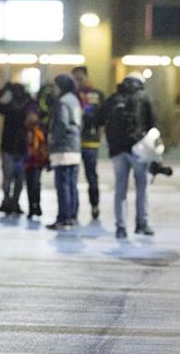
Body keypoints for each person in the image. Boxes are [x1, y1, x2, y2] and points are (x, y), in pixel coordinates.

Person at [100, 74, 157, 239]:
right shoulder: (143, 97)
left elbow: (100, 118)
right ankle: (142, 223)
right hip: (138, 149)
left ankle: (121, 226)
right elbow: (153, 124)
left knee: (120, 188)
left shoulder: (114, 98)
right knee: (142, 187)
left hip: (117, 151)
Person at [46, 74, 83, 230]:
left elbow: (62, 123)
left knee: (63, 185)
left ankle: (64, 218)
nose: (54, 89)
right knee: (72, 184)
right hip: (74, 147)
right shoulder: (74, 100)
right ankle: (73, 216)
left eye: (56, 86)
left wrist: (52, 140)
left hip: (63, 149)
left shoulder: (62, 102)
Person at [0, 82, 30, 215]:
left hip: (16, 147)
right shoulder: (22, 106)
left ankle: (10, 201)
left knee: (12, 177)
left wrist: (2, 91)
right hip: (14, 147)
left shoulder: (12, 107)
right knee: (16, 178)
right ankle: (11, 201)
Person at [73, 66, 105, 220]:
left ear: (85, 76)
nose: (78, 80)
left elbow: (102, 117)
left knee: (91, 175)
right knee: (72, 177)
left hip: (91, 142)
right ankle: (73, 208)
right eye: (75, 78)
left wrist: (100, 134)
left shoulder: (96, 94)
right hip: (73, 143)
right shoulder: (72, 95)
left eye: (79, 77)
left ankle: (94, 205)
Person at [24, 102, 49, 219]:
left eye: (33, 114)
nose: (32, 117)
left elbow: (45, 144)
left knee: (36, 183)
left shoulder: (41, 128)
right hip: (27, 161)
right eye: (30, 114)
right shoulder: (24, 128)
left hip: (38, 161)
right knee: (29, 184)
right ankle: (31, 207)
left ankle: (37, 205)